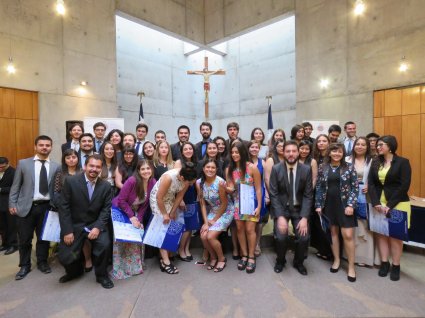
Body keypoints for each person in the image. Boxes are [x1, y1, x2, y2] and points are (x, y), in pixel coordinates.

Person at [57, 155, 114, 289]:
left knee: (104, 245)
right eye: (91, 166)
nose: (94, 169)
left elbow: (106, 210)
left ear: (101, 169)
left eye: (98, 167)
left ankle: (102, 276)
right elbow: (63, 207)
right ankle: (75, 272)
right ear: (85, 166)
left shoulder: (105, 186)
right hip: (75, 225)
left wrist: (98, 228)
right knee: (65, 257)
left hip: (94, 224)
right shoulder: (71, 182)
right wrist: (67, 230)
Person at [9, 135, 60, 280]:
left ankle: (42, 262)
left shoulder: (56, 166)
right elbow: (16, 186)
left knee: (44, 238)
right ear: (35, 147)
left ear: (51, 147)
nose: (45, 147)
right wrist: (12, 203)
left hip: (47, 207)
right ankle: (24, 265)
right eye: (41, 145)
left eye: (47, 145)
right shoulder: (24, 164)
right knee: (24, 239)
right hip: (26, 206)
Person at [368, 135, 411, 281]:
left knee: (395, 237)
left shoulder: (403, 162)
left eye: (381, 145)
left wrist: (389, 205)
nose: (377, 147)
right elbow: (371, 184)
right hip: (379, 205)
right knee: (381, 234)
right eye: (377, 145)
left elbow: (404, 185)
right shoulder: (375, 162)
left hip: (398, 203)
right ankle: (384, 263)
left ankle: (396, 265)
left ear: (390, 146)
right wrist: (375, 203)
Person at [315, 143, 359, 282]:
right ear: (329, 153)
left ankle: (351, 267)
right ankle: (337, 260)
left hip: (345, 206)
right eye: (333, 151)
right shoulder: (323, 167)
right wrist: (318, 205)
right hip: (328, 205)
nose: (336, 154)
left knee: (348, 235)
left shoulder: (349, 167)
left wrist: (351, 204)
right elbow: (320, 187)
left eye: (339, 152)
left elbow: (355, 187)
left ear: (343, 153)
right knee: (333, 233)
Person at [269, 141, 313, 275]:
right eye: (288, 151)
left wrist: (305, 217)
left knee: (304, 238)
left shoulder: (306, 169)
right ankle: (280, 260)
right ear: (283, 152)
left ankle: (298, 262)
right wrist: (280, 217)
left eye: (294, 151)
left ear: (298, 152)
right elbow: (273, 194)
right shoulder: (276, 169)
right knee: (281, 237)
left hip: (299, 209)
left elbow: (308, 195)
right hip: (282, 208)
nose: (291, 154)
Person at [111, 160, 156, 279]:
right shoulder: (132, 180)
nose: (146, 171)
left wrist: (139, 219)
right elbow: (121, 200)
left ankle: (135, 267)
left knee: (138, 233)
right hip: (121, 210)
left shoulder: (152, 182)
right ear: (138, 171)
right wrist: (131, 217)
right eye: (143, 169)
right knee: (124, 239)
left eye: (148, 168)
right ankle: (121, 269)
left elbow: (145, 205)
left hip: (135, 211)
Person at [149, 162, 198, 274]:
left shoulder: (186, 178)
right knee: (163, 227)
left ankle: (167, 253)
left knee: (172, 223)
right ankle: (165, 261)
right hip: (158, 200)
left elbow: (180, 196)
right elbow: (159, 198)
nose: (190, 185)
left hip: (170, 197)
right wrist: (165, 214)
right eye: (189, 182)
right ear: (181, 177)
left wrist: (172, 211)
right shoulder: (168, 177)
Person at [225, 142, 262, 274]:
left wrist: (259, 206)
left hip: (251, 204)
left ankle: (251, 257)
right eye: (233, 152)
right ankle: (244, 255)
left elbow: (258, 188)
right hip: (237, 203)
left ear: (242, 153)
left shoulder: (252, 168)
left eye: (237, 152)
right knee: (239, 229)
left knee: (250, 229)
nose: (235, 155)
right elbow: (230, 188)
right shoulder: (229, 169)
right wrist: (227, 189)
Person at [197, 159, 234, 272]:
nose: (210, 170)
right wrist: (205, 222)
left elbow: (224, 204)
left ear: (216, 169)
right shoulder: (199, 183)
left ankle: (221, 259)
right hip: (213, 210)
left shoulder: (220, 182)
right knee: (203, 235)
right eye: (207, 167)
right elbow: (202, 204)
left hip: (226, 211)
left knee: (210, 236)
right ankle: (213, 257)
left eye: (213, 168)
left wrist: (213, 220)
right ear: (203, 169)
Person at [346, 137, 375, 267]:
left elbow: (377, 179)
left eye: (363, 144)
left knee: (364, 226)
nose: (360, 146)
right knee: (350, 226)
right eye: (358, 144)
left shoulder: (373, 161)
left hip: (366, 196)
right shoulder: (346, 160)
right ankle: (349, 256)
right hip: (349, 197)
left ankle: (365, 257)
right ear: (354, 146)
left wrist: (370, 185)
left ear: (367, 147)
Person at [175, 142, 198, 261]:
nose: (188, 150)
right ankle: (180, 250)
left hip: (192, 195)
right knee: (185, 227)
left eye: (190, 148)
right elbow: (177, 182)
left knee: (191, 226)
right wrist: (181, 200)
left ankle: (186, 249)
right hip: (183, 196)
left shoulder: (195, 163)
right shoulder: (179, 163)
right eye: (186, 149)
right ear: (182, 151)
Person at [248, 140, 267, 258]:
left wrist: (267, 196)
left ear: (259, 149)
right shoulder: (245, 162)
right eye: (252, 147)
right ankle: (249, 244)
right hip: (247, 195)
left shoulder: (263, 162)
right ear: (248, 149)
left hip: (260, 194)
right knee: (249, 221)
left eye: (256, 147)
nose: (254, 149)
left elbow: (265, 180)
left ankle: (257, 244)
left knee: (259, 222)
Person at [0, 157, 17, 255]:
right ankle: (5, 243)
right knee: (2, 226)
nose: (0, 169)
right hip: (0, 203)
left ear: (8, 164)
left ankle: (13, 245)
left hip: (9, 202)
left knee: (11, 226)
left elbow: (15, 188)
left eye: (2, 167)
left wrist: (1, 190)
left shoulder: (13, 172)